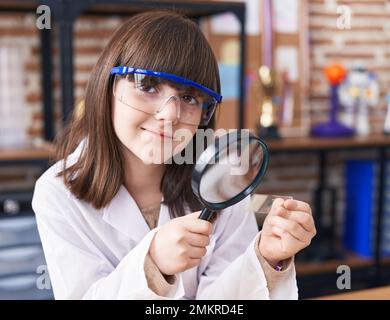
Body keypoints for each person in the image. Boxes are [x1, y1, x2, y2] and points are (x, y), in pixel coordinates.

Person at [32, 10, 316, 300]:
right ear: (108, 87)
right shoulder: (56, 193)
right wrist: (153, 265)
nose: (170, 114)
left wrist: (265, 259)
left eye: (189, 97)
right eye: (147, 85)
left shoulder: (223, 182)